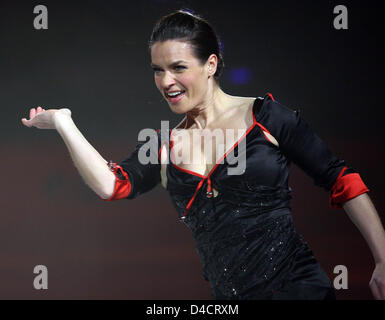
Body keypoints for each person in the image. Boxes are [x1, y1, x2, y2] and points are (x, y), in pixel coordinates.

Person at [21, 10, 385, 300]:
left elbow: (341, 178)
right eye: (158, 70)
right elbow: (111, 185)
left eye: (178, 67)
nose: (166, 82)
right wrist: (64, 123)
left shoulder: (267, 117)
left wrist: (383, 259)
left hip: (299, 289)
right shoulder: (162, 143)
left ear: (210, 65)